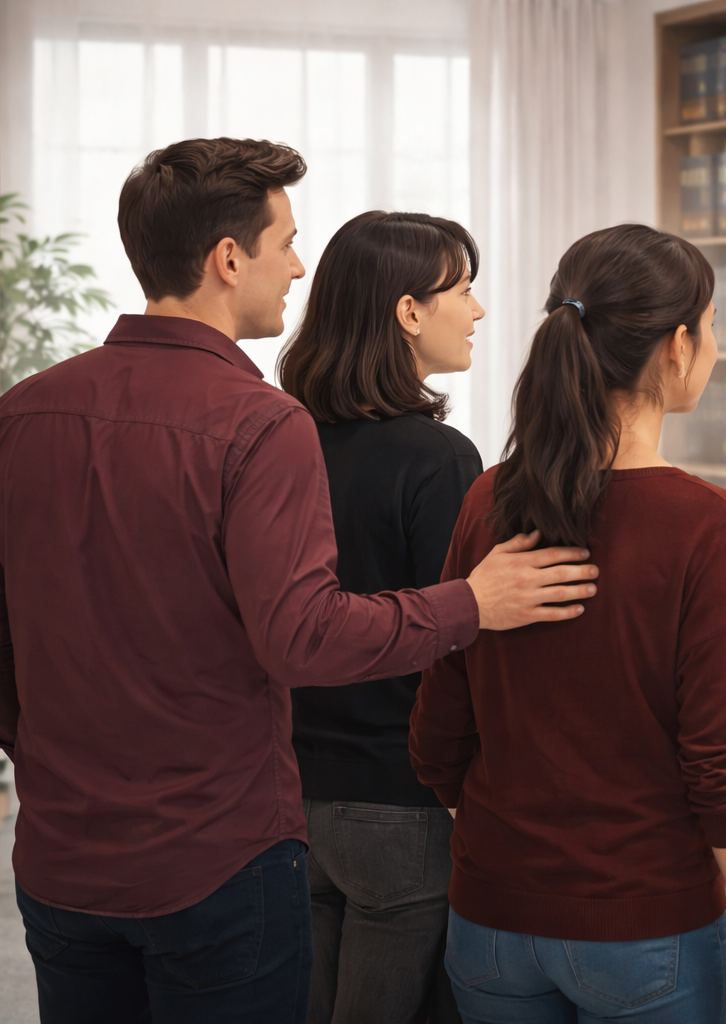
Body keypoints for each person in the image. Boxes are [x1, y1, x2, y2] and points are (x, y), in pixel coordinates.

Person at [0, 138, 599, 1024]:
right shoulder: (258, 422)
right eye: (285, 242)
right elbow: (304, 637)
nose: (297, 267)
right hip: (218, 860)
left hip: (63, 858)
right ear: (226, 260)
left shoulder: (19, 413)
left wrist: (61, 762)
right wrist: (473, 602)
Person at [409, 224, 726, 1024]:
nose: (715, 346)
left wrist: (510, 847)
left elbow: (438, 727)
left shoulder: (490, 497)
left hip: (489, 921)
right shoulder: (707, 523)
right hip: (642, 929)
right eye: (715, 325)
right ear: (677, 346)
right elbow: (723, 759)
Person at [278, 211, 486, 1024]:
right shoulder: (439, 458)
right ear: (408, 311)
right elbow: (460, 640)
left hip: (293, 787)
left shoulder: (278, 437)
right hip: (399, 800)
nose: (476, 310)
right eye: (463, 290)